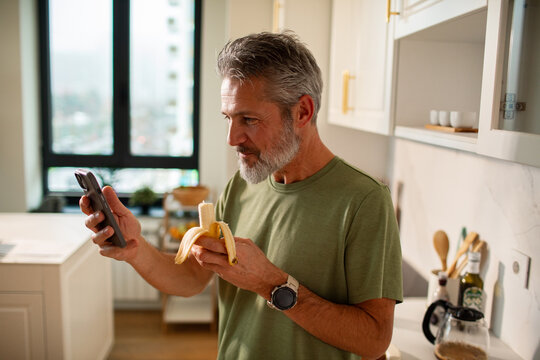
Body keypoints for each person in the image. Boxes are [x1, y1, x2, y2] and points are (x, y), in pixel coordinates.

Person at [81, 31, 402, 360]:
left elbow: (374, 339)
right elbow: (192, 277)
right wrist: (135, 248)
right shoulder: (241, 186)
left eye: (249, 119)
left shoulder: (364, 200)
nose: (232, 138)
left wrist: (271, 284)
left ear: (303, 112)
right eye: (229, 118)